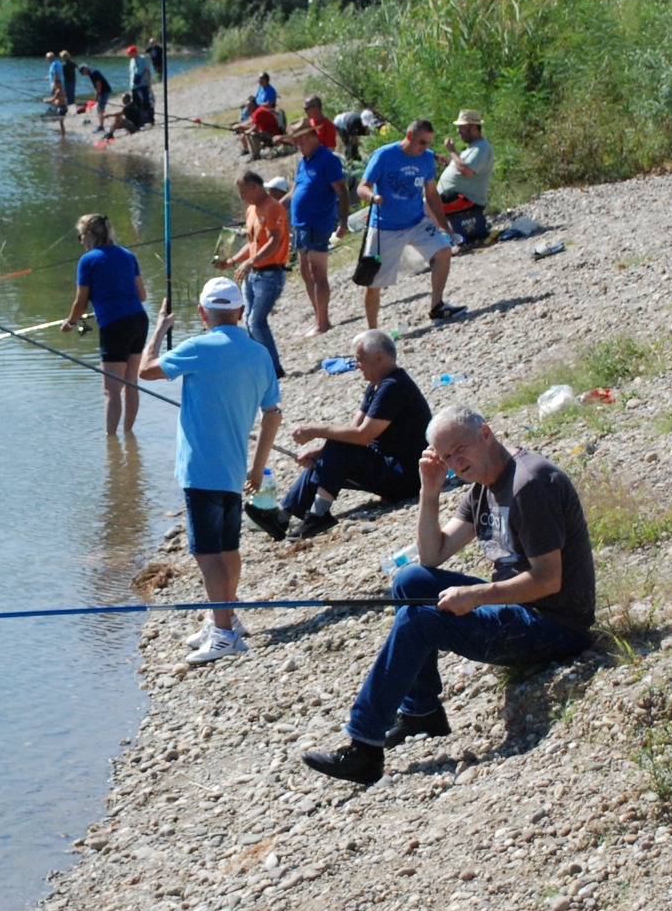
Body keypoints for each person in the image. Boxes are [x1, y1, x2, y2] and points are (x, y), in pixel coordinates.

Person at [303, 406, 596, 784]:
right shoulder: (482, 488)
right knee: (410, 582)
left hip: (554, 625)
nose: (457, 462)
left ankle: (364, 747)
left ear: (486, 434)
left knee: (419, 619)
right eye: (447, 457)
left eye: (461, 450)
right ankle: (421, 711)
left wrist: (476, 596)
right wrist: (430, 490)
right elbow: (432, 555)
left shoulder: (529, 484)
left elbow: (548, 581)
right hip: (518, 609)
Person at [141, 280, 283, 664]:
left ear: (203, 315)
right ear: (240, 313)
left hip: (200, 470)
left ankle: (223, 634)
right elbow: (273, 413)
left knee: (208, 557)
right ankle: (227, 618)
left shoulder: (198, 348)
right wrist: (256, 465)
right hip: (235, 468)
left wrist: (158, 331)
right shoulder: (259, 354)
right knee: (228, 549)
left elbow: (145, 371)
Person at [247, 329, 430, 541]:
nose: (356, 365)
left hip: (407, 477)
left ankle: (319, 515)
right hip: (389, 467)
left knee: (339, 445)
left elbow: (362, 436)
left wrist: (316, 430)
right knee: (332, 448)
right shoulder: (375, 386)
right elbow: (353, 431)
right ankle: (281, 518)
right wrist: (319, 453)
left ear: (379, 357)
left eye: (360, 359)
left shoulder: (394, 387)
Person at [357, 118, 462, 326]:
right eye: (422, 142)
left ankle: (437, 306)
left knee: (443, 251)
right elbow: (362, 186)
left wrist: (445, 227)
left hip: (416, 221)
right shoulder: (384, 155)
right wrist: (372, 197)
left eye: (429, 143)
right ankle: (372, 330)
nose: (425, 148)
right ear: (409, 136)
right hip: (385, 226)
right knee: (373, 282)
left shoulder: (426, 159)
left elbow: (431, 195)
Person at [61, 213, 149, 436]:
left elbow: (80, 302)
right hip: (138, 321)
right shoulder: (127, 255)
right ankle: (129, 435)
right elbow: (142, 295)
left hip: (115, 327)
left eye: (80, 236)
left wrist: (70, 322)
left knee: (111, 391)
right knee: (131, 383)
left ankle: (111, 444)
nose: (80, 241)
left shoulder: (88, 261)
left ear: (89, 236)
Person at [213, 170, 290, 378]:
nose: (241, 196)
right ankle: (259, 363)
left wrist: (251, 261)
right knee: (248, 319)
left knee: (256, 320)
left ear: (255, 187)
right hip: (253, 273)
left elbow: (274, 241)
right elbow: (252, 243)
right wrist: (232, 261)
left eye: (243, 192)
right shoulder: (251, 210)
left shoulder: (273, 208)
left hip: (270, 273)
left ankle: (274, 368)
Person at [284, 117, 350, 337]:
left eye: (300, 140)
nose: (297, 145)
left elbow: (341, 191)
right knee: (305, 271)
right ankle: (318, 318)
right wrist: (271, 206)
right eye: (295, 141)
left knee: (317, 272)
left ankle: (323, 323)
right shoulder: (304, 161)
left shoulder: (327, 159)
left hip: (318, 223)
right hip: (300, 225)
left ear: (311, 136)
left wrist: (343, 223)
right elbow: (294, 192)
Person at [438, 109, 494, 245]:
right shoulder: (471, 149)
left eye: (462, 128)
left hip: (468, 200)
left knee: (427, 204)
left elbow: (467, 171)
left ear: (474, 128)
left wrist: (452, 151)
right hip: (456, 197)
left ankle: (447, 236)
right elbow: (461, 168)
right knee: (423, 204)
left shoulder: (482, 148)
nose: (459, 131)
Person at [128, 45, 155, 120]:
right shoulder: (131, 61)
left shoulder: (143, 59)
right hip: (134, 85)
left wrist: (149, 82)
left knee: (146, 102)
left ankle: (150, 118)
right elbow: (131, 72)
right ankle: (140, 119)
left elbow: (148, 71)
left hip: (143, 84)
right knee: (137, 103)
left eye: (130, 53)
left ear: (134, 52)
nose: (129, 55)